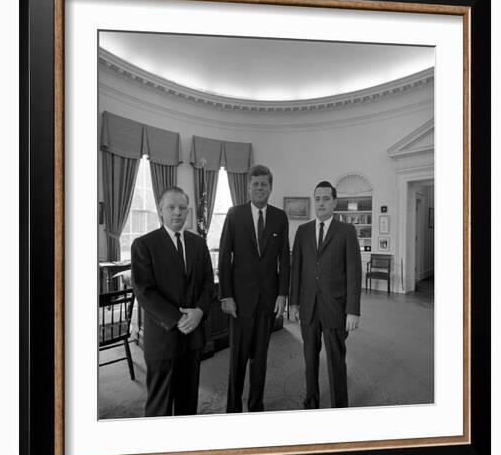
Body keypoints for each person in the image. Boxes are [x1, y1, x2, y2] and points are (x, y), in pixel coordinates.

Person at [131, 186, 214, 417]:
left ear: (188, 211)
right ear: (160, 210)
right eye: (171, 207)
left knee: (188, 404)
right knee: (160, 407)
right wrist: (178, 319)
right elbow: (144, 291)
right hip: (163, 339)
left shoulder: (198, 244)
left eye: (182, 208)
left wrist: (199, 311)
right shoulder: (144, 244)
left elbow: (208, 281)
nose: (177, 212)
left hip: (193, 337)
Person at [218, 165, 290, 412]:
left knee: (260, 359)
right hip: (239, 301)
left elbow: (285, 259)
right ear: (248, 187)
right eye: (255, 184)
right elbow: (224, 256)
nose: (260, 188)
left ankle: (256, 406)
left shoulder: (280, 217)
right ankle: (233, 409)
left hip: (268, 301)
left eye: (264, 184)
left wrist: (283, 293)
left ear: (271, 188)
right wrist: (225, 295)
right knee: (237, 360)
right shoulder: (234, 214)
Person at [289, 181, 361, 409]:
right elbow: (296, 269)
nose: (321, 203)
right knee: (310, 360)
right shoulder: (303, 231)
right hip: (308, 307)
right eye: (317, 198)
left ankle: (340, 407)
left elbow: (354, 273)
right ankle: (311, 402)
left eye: (326, 198)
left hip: (335, 308)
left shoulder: (347, 231)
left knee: (336, 361)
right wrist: (294, 303)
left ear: (335, 202)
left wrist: (352, 310)